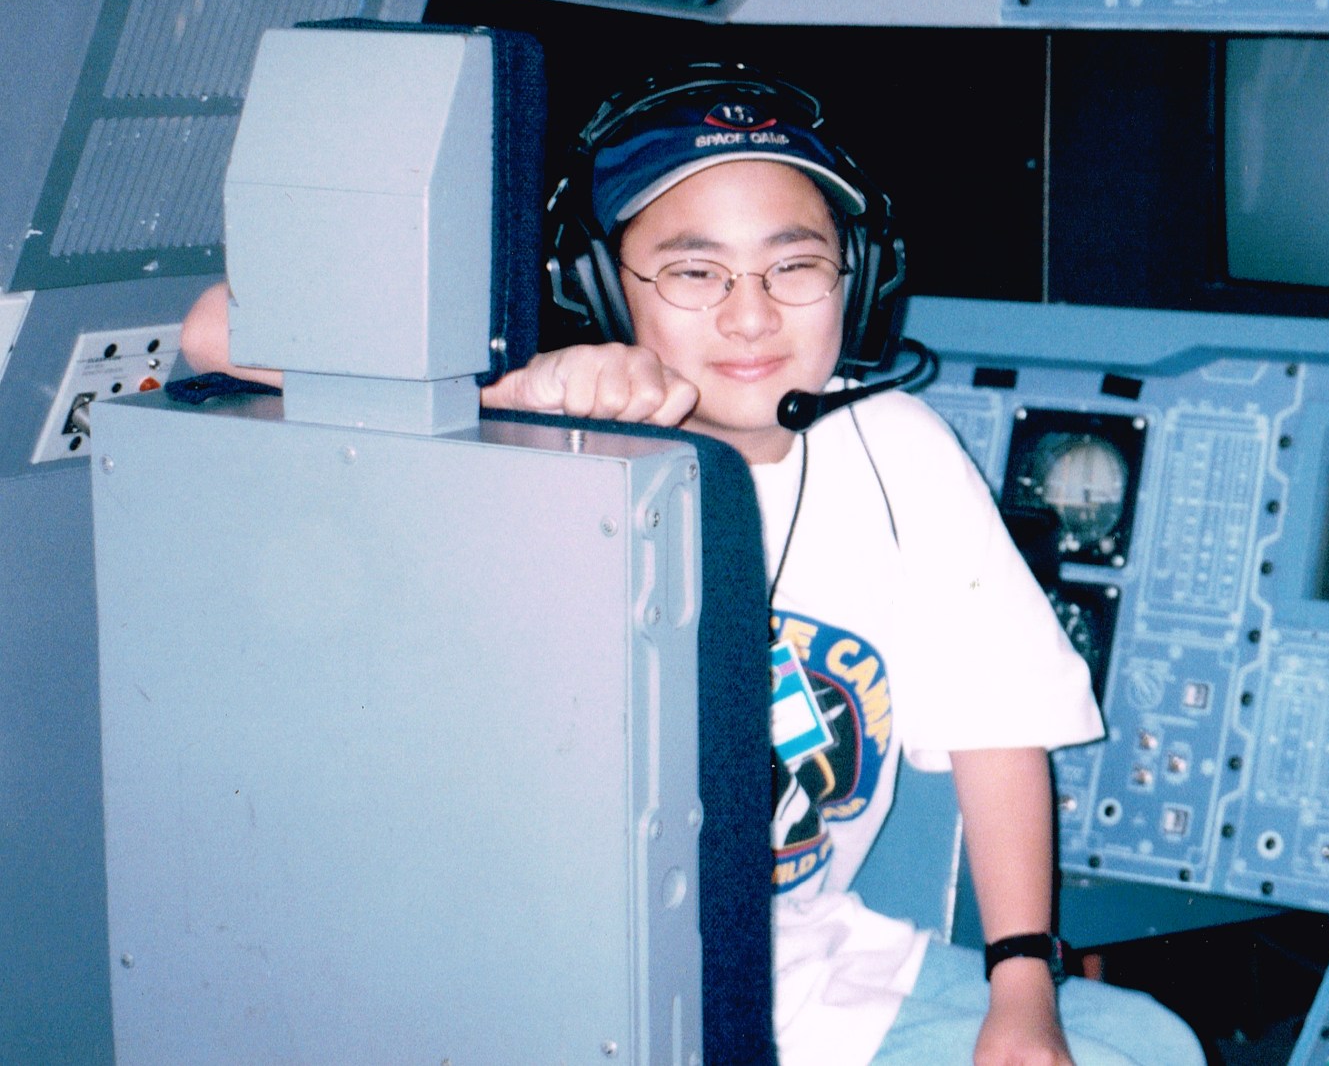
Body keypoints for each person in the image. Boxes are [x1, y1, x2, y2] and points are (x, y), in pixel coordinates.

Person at [183, 67, 1204, 1066]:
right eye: (691, 269)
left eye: (792, 266)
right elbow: (211, 329)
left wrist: (1020, 989)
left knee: (1153, 1042)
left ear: (859, 275)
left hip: (797, 970)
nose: (750, 315)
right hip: (564, 991)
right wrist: (509, 382)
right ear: (597, 287)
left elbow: (996, 731)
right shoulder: (533, 438)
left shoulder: (898, 443)